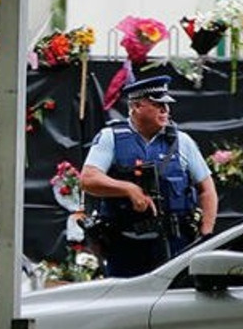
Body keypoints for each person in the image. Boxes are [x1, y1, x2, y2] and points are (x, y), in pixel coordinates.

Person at [80, 75, 217, 277]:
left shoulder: (181, 141)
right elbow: (88, 179)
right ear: (136, 106)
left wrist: (206, 235)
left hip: (175, 242)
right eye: (157, 104)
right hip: (125, 243)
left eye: (167, 105)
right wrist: (128, 189)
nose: (165, 110)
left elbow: (207, 189)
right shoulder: (111, 137)